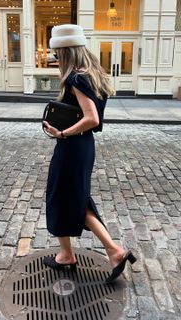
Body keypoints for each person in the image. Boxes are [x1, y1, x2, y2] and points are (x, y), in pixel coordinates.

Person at [42, 24, 136, 283]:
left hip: (73, 146)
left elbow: (91, 118)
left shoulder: (74, 78)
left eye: (57, 54)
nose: (56, 59)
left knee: (59, 196)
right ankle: (84, 253)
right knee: (76, 199)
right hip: (83, 147)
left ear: (65, 52)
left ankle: (98, 252)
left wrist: (62, 133)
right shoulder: (92, 74)